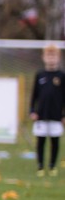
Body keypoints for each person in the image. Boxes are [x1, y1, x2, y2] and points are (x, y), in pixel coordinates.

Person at [29, 44, 65, 177]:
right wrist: (32, 110)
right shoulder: (40, 75)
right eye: (48, 55)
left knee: (54, 141)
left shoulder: (61, 76)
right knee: (41, 141)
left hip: (56, 115)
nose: (51, 58)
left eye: (53, 55)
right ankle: (40, 166)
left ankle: (52, 166)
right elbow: (34, 95)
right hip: (41, 115)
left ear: (58, 57)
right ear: (44, 57)